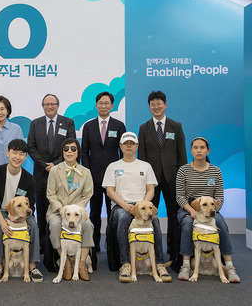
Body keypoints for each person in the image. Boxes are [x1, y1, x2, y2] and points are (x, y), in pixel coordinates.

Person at [103, 132, 171, 283]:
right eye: (125, 143)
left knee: (155, 221)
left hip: (142, 205)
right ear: (120, 146)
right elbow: (109, 191)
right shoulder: (113, 166)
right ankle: (126, 264)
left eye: (131, 143)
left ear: (137, 146)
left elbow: (151, 190)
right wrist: (125, 206)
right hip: (121, 206)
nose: (128, 146)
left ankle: (159, 264)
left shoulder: (145, 166)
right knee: (124, 218)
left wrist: (142, 207)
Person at [175, 137, 240, 282]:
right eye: (196, 147)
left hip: (210, 210)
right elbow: (179, 196)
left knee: (221, 224)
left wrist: (211, 213)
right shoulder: (183, 170)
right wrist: (193, 212)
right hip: (189, 208)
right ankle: (186, 265)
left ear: (207, 150)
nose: (199, 150)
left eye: (202, 147)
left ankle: (229, 266)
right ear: (191, 150)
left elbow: (219, 198)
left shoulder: (216, 171)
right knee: (187, 225)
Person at [138, 90, 186, 265]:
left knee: (174, 216)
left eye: (159, 104)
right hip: (151, 181)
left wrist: (182, 178)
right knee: (149, 216)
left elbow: (182, 154)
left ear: (165, 105)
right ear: (149, 107)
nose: (156, 107)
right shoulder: (144, 128)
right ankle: (153, 255)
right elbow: (142, 157)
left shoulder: (176, 126)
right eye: (152, 104)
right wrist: (143, 181)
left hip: (173, 178)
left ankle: (174, 256)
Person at [0, 139, 43, 283]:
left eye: (22, 154)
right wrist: (3, 221)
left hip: (21, 213)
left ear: (25, 157)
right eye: (14, 153)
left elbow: (31, 204)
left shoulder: (29, 178)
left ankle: (32, 266)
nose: (17, 157)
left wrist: (24, 216)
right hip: (1, 211)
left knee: (33, 225)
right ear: (7, 153)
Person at [27, 93, 75, 251]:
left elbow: (71, 146)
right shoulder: (35, 124)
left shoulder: (68, 123)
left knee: (61, 208)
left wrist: (55, 164)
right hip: (40, 174)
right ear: (43, 106)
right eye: (46, 104)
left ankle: (61, 242)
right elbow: (31, 147)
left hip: (62, 173)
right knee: (41, 210)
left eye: (52, 104)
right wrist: (45, 164)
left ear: (58, 105)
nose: (49, 107)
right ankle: (42, 244)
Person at [81, 91, 125, 252]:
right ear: (96, 105)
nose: (103, 106)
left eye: (107, 103)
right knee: (94, 212)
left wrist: (122, 174)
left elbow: (123, 153)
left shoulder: (119, 126)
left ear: (112, 106)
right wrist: (87, 174)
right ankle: (94, 245)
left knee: (113, 213)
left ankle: (113, 245)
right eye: (100, 102)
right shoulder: (88, 126)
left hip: (114, 178)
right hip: (94, 176)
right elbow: (84, 152)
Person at [47, 139, 94, 280]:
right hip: (57, 211)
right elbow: (51, 193)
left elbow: (88, 194)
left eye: (73, 149)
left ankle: (81, 265)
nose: (69, 151)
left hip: (77, 212)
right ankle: (66, 263)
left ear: (78, 152)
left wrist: (75, 210)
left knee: (88, 225)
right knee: (55, 225)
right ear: (62, 152)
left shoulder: (86, 172)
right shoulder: (54, 170)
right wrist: (62, 210)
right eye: (66, 148)